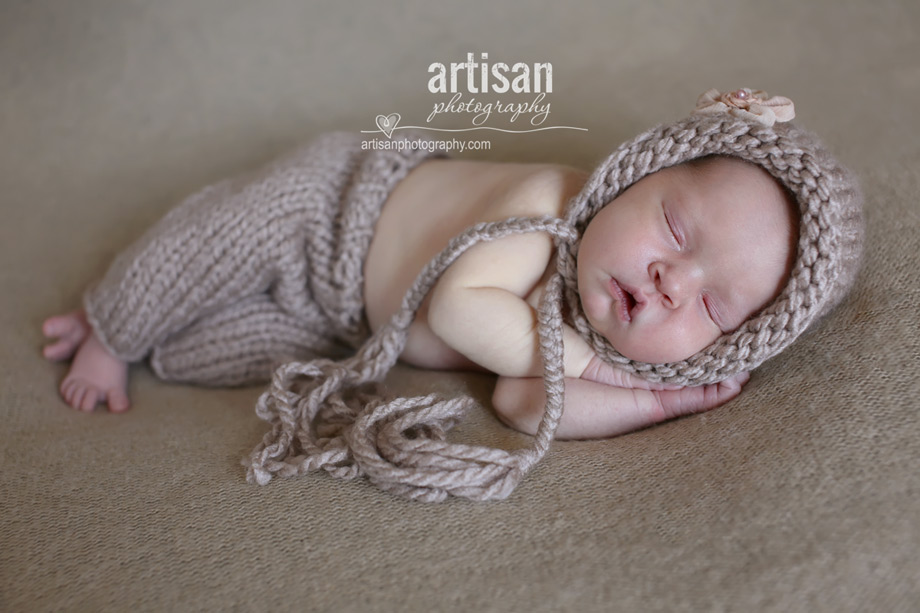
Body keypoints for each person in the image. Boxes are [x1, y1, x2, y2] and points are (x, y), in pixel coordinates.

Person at [41, 88, 864, 444]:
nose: (670, 282)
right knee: (213, 245)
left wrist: (644, 397)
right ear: (636, 174)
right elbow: (462, 312)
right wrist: (582, 360)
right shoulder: (547, 205)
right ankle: (113, 320)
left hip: (347, 319)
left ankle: (152, 330)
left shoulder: (606, 328)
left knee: (202, 355)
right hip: (333, 210)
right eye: (676, 229)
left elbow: (518, 400)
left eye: (713, 308)